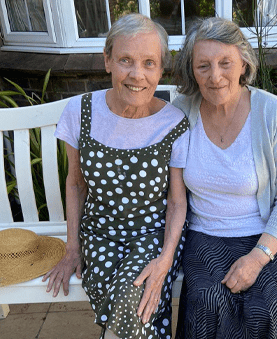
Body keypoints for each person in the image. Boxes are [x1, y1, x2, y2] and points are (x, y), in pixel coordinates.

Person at [42, 13, 189, 339]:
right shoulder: (79, 112)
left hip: (153, 235)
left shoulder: (173, 123)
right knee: (122, 299)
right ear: (107, 60)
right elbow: (76, 183)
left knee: (132, 296)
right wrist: (72, 249)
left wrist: (165, 261)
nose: (138, 75)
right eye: (126, 60)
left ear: (161, 69)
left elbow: (177, 203)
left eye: (150, 63)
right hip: (100, 235)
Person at [172, 17, 277, 339]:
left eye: (225, 63)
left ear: (243, 63)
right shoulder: (181, 111)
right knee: (208, 298)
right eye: (203, 65)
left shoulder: (271, 111)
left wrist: (258, 258)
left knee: (271, 298)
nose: (215, 76)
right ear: (191, 70)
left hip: (269, 231)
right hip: (206, 231)